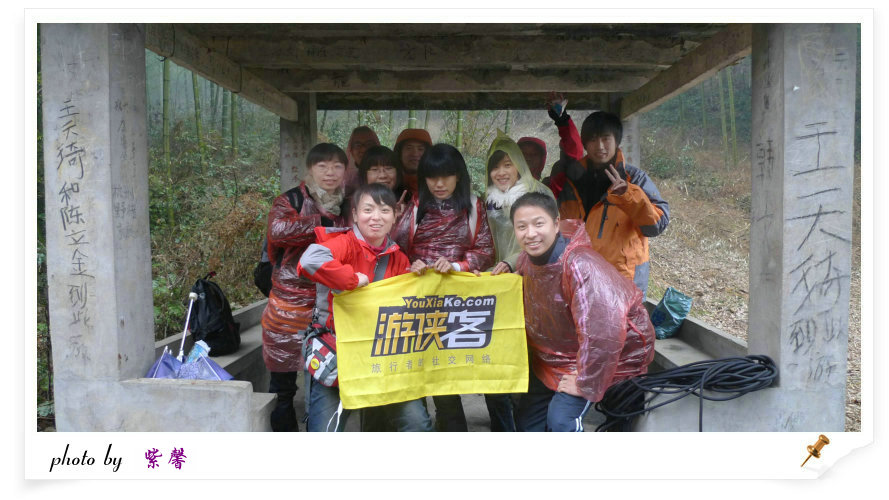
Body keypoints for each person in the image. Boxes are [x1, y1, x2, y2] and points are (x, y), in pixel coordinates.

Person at [498, 192, 655, 432]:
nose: (530, 233)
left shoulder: (581, 266)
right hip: (556, 358)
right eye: (522, 227)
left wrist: (585, 380)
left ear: (556, 223)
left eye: (538, 224)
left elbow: (604, 334)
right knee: (527, 422)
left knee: (561, 420)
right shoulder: (527, 262)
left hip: (606, 357)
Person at [296, 183, 434, 432]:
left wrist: (419, 276)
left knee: (417, 425)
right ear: (355, 214)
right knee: (325, 431)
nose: (376, 217)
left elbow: (410, 305)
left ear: (395, 216)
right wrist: (352, 280)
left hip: (383, 354)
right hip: (338, 352)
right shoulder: (342, 244)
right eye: (368, 210)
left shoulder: (398, 257)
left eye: (384, 210)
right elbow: (309, 260)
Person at [394, 143, 495, 431]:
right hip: (417, 300)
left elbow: (486, 251)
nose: (439, 184)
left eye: (446, 176)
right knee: (415, 367)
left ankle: (450, 427)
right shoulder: (414, 208)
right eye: (432, 176)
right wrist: (411, 265)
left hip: (456, 301)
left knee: (445, 371)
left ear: (458, 175)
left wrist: (457, 266)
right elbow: (394, 250)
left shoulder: (474, 207)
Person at [260, 143, 348, 432]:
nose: (330, 172)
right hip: (288, 305)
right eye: (322, 166)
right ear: (310, 169)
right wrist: (322, 223)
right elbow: (277, 232)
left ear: (345, 171)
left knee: (324, 376)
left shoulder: (350, 203)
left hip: (328, 305)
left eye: (337, 166)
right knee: (283, 386)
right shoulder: (291, 200)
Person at [483, 132, 556, 431]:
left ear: (519, 165)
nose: (501, 172)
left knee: (529, 359)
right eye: (495, 166)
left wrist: (512, 262)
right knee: (494, 359)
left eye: (507, 164)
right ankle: (503, 428)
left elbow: (546, 240)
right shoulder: (488, 199)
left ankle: (532, 425)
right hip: (498, 287)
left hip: (532, 287)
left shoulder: (538, 194)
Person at [556, 111, 670, 297]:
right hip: (581, 277)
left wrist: (628, 196)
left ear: (616, 140)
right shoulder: (574, 181)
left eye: (605, 138)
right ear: (585, 143)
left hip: (623, 282)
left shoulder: (635, 179)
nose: (600, 146)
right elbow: (561, 228)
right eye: (593, 139)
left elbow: (657, 225)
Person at [392, 128, 432, 200]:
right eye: (409, 148)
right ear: (399, 153)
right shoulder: (390, 183)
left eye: (420, 149)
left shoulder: (436, 185)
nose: (415, 154)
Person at [343, 126, 381, 199]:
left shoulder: (387, 176)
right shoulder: (346, 182)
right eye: (358, 145)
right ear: (351, 151)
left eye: (369, 144)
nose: (364, 149)